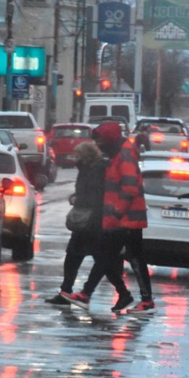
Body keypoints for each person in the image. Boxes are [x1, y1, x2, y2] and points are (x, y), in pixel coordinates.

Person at [65, 121, 155, 314]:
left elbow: (129, 188)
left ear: (109, 140)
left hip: (126, 219)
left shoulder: (124, 154)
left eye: (101, 141)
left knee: (119, 257)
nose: (99, 145)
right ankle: (137, 299)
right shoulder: (118, 153)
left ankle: (89, 294)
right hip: (123, 218)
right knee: (114, 256)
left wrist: (115, 213)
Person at [45, 141, 133, 312]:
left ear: (86, 156)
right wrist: (75, 197)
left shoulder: (98, 170)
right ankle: (66, 291)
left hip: (95, 222)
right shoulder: (84, 170)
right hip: (85, 222)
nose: (74, 157)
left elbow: (96, 196)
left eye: (77, 155)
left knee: (99, 259)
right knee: (75, 256)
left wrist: (78, 200)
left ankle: (118, 293)